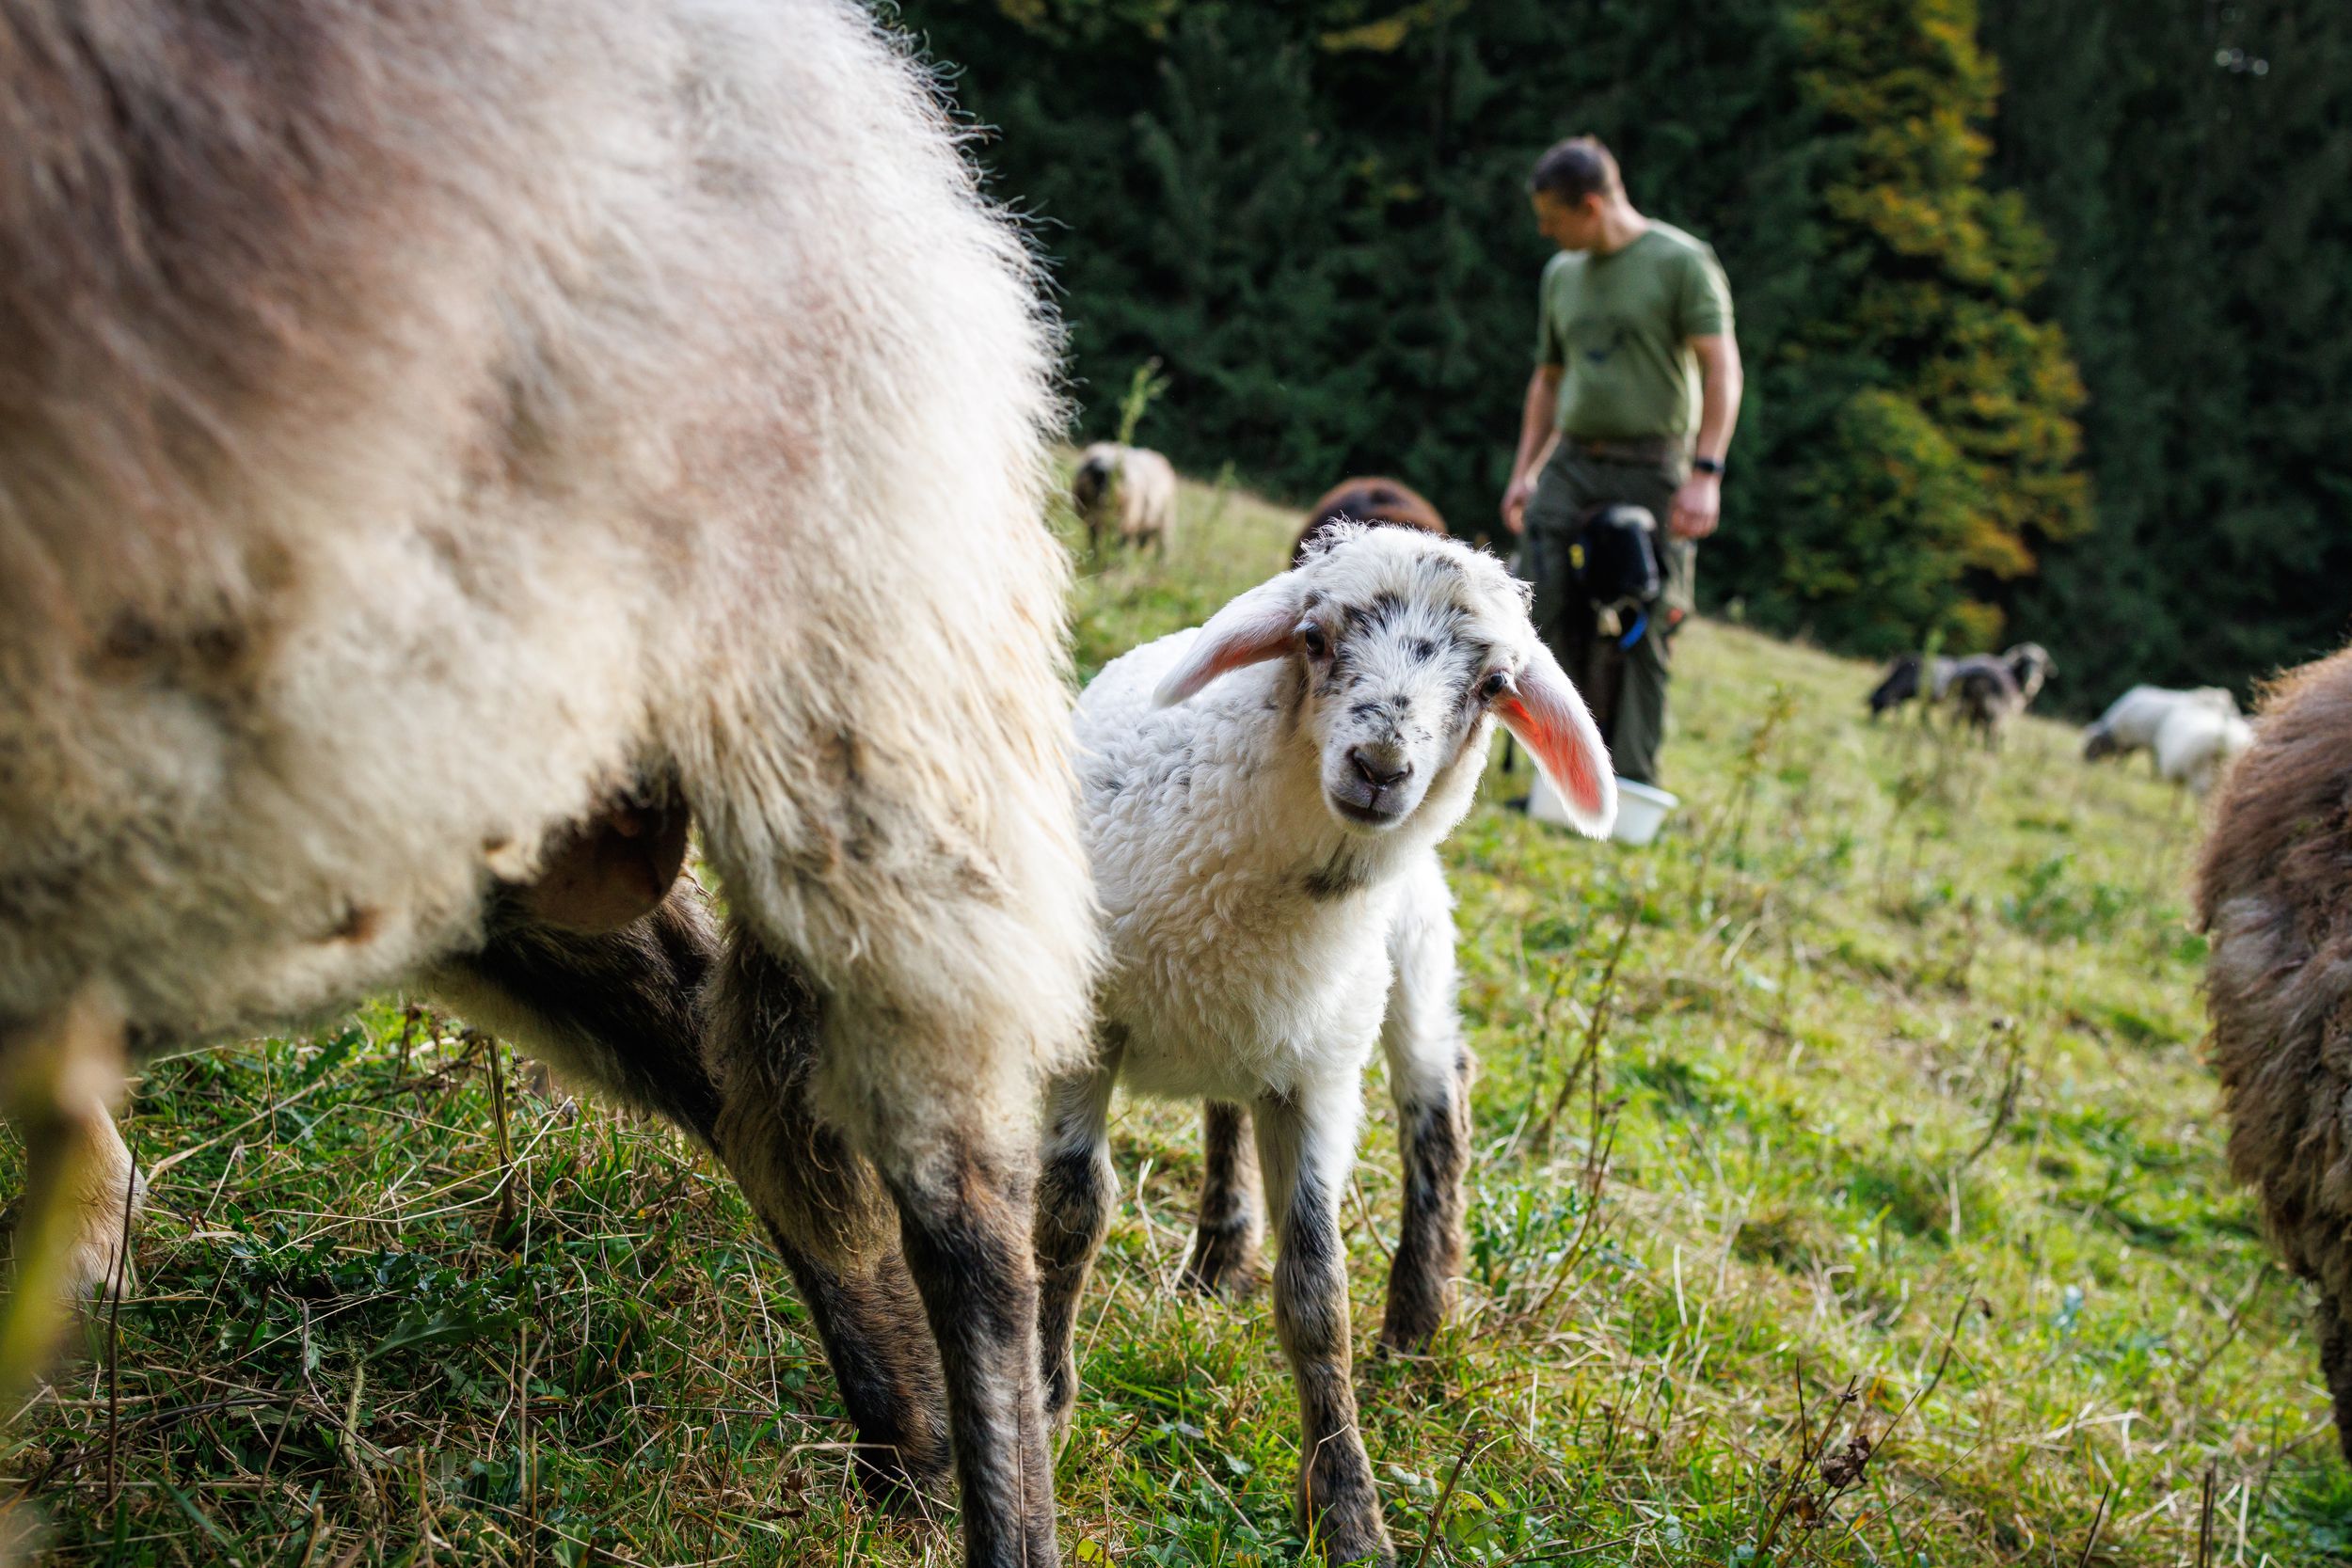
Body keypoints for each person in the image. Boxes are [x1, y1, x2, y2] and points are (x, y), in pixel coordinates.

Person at [1501, 135, 1742, 788]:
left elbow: (1722, 368)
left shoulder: (1680, 262)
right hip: (1574, 460)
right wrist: (1526, 471)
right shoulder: (1562, 275)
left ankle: (1629, 780)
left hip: (1654, 466)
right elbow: (1548, 379)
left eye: (1553, 218)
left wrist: (1706, 473)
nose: (1546, 232)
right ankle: (1555, 774)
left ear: (1591, 205)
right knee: (1538, 604)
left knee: (1649, 620)